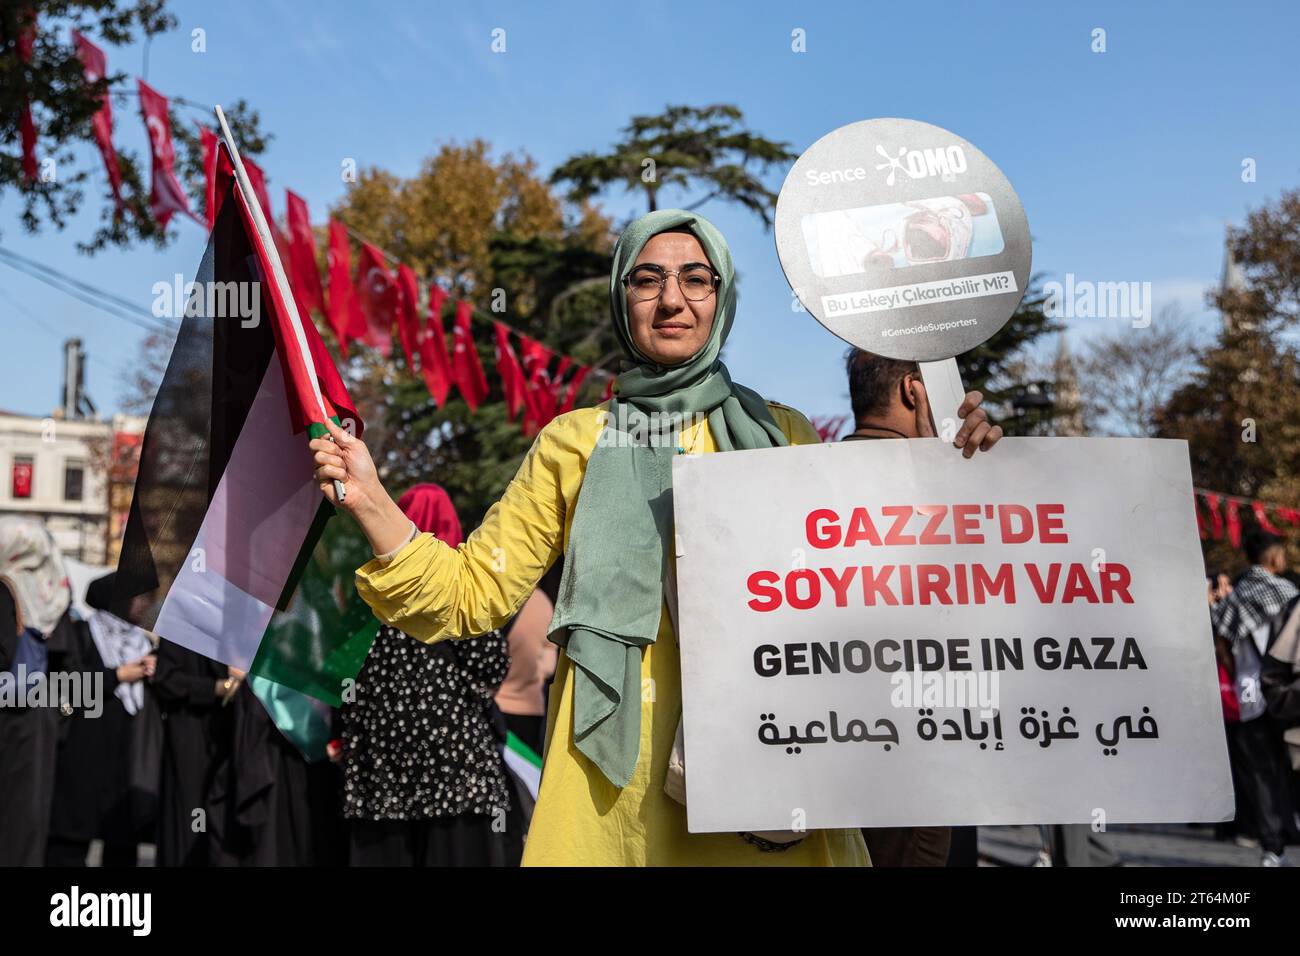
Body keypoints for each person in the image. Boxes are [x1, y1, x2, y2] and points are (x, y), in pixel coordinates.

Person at [309, 209, 1001, 866]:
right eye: (648, 279)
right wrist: (371, 498)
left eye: (696, 279)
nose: (672, 298)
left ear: (720, 299)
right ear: (623, 298)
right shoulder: (573, 444)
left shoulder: (782, 435)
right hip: (613, 804)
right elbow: (467, 596)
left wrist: (954, 462)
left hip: (766, 785)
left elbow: (888, 570)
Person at [841, 348, 1000, 866]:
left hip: (834, 754)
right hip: (924, 761)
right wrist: (975, 474)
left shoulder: (809, 485)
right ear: (915, 390)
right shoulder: (947, 490)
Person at [339, 483, 512, 867]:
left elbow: (343, 675)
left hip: (380, 768)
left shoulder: (368, 591)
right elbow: (491, 667)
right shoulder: (461, 587)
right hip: (455, 767)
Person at [45, 572, 156, 867]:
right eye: (137, 597)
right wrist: (118, 675)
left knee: (121, 842)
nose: (144, 604)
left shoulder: (142, 644)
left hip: (124, 758)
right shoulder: (81, 633)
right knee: (69, 840)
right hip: (81, 752)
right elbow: (66, 686)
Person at [1210, 529, 1299, 865]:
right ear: (1273, 556)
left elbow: (1220, 642)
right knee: (1289, 761)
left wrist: (1236, 666)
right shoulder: (1288, 592)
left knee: (1260, 772)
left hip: (1248, 691)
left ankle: (1271, 846)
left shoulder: (1237, 596)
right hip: (1288, 692)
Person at [0, 517, 71, 866]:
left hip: (11, 721)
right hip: (38, 719)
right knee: (27, 819)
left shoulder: (6, 589)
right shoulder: (53, 596)